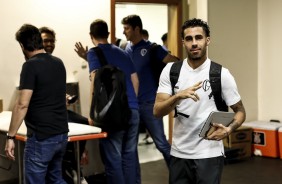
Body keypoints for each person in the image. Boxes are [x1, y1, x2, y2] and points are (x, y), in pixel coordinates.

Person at [153, 18, 246, 184]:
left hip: (209, 153)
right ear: (183, 42)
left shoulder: (221, 74)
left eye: (199, 38)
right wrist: (177, 96)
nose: (194, 43)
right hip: (179, 153)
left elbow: (240, 111)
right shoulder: (171, 71)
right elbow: (157, 111)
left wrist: (228, 130)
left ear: (207, 40)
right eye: (189, 39)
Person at [5, 24, 68, 183]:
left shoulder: (30, 66)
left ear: (22, 45)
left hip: (41, 137)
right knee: (56, 179)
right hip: (61, 134)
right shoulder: (58, 63)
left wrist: (10, 136)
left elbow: (22, 104)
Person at [85, 19, 140, 184]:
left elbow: (95, 80)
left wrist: (92, 112)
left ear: (91, 35)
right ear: (108, 34)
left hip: (112, 114)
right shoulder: (123, 52)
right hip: (132, 110)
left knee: (113, 157)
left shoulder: (93, 52)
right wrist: (131, 102)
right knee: (129, 155)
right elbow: (135, 80)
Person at [121, 14, 179, 167]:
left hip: (149, 103)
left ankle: (180, 174)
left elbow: (174, 61)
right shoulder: (126, 49)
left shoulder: (152, 48)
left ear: (136, 29)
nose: (124, 32)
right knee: (130, 148)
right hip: (132, 105)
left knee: (161, 143)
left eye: (126, 28)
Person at [39, 26, 88, 184]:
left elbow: (56, 89)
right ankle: (70, 167)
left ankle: (73, 166)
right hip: (45, 116)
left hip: (58, 111)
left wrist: (65, 96)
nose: (49, 44)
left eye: (52, 41)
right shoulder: (34, 64)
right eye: (46, 40)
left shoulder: (55, 64)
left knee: (86, 123)